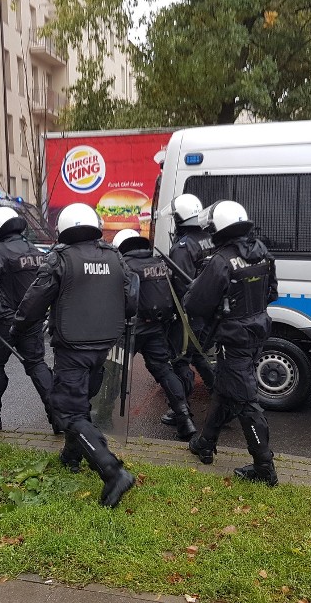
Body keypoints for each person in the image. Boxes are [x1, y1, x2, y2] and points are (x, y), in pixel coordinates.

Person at [13, 203, 138, 508]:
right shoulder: (114, 256)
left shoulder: (60, 259)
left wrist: (17, 328)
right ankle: (71, 456)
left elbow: (34, 301)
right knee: (77, 403)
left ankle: (112, 471)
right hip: (103, 346)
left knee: (66, 411)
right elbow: (131, 299)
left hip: (73, 347)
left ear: (64, 229)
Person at [184, 200, 279, 486]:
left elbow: (195, 305)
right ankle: (205, 443)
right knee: (226, 389)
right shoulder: (262, 253)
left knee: (246, 402)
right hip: (256, 332)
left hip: (233, 339)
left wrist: (197, 287)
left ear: (218, 228)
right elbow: (271, 293)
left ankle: (265, 467)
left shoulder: (221, 261)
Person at [0, 207, 56, 433]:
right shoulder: (37, 252)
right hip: (30, 320)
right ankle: (59, 417)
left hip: (1, 323)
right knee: (37, 364)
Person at [113, 228, 197, 441]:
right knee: (165, 371)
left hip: (130, 328)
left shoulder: (123, 266)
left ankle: (102, 416)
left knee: (113, 370)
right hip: (156, 328)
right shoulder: (160, 264)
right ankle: (185, 419)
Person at [160, 193, 216, 426]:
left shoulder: (183, 247)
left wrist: (172, 315)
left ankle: (180, 410)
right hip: (209, 312)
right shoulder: (209, 238)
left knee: (181, 361)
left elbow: (181, 287)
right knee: (200, 356)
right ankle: (224, 400)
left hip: (189, 316)